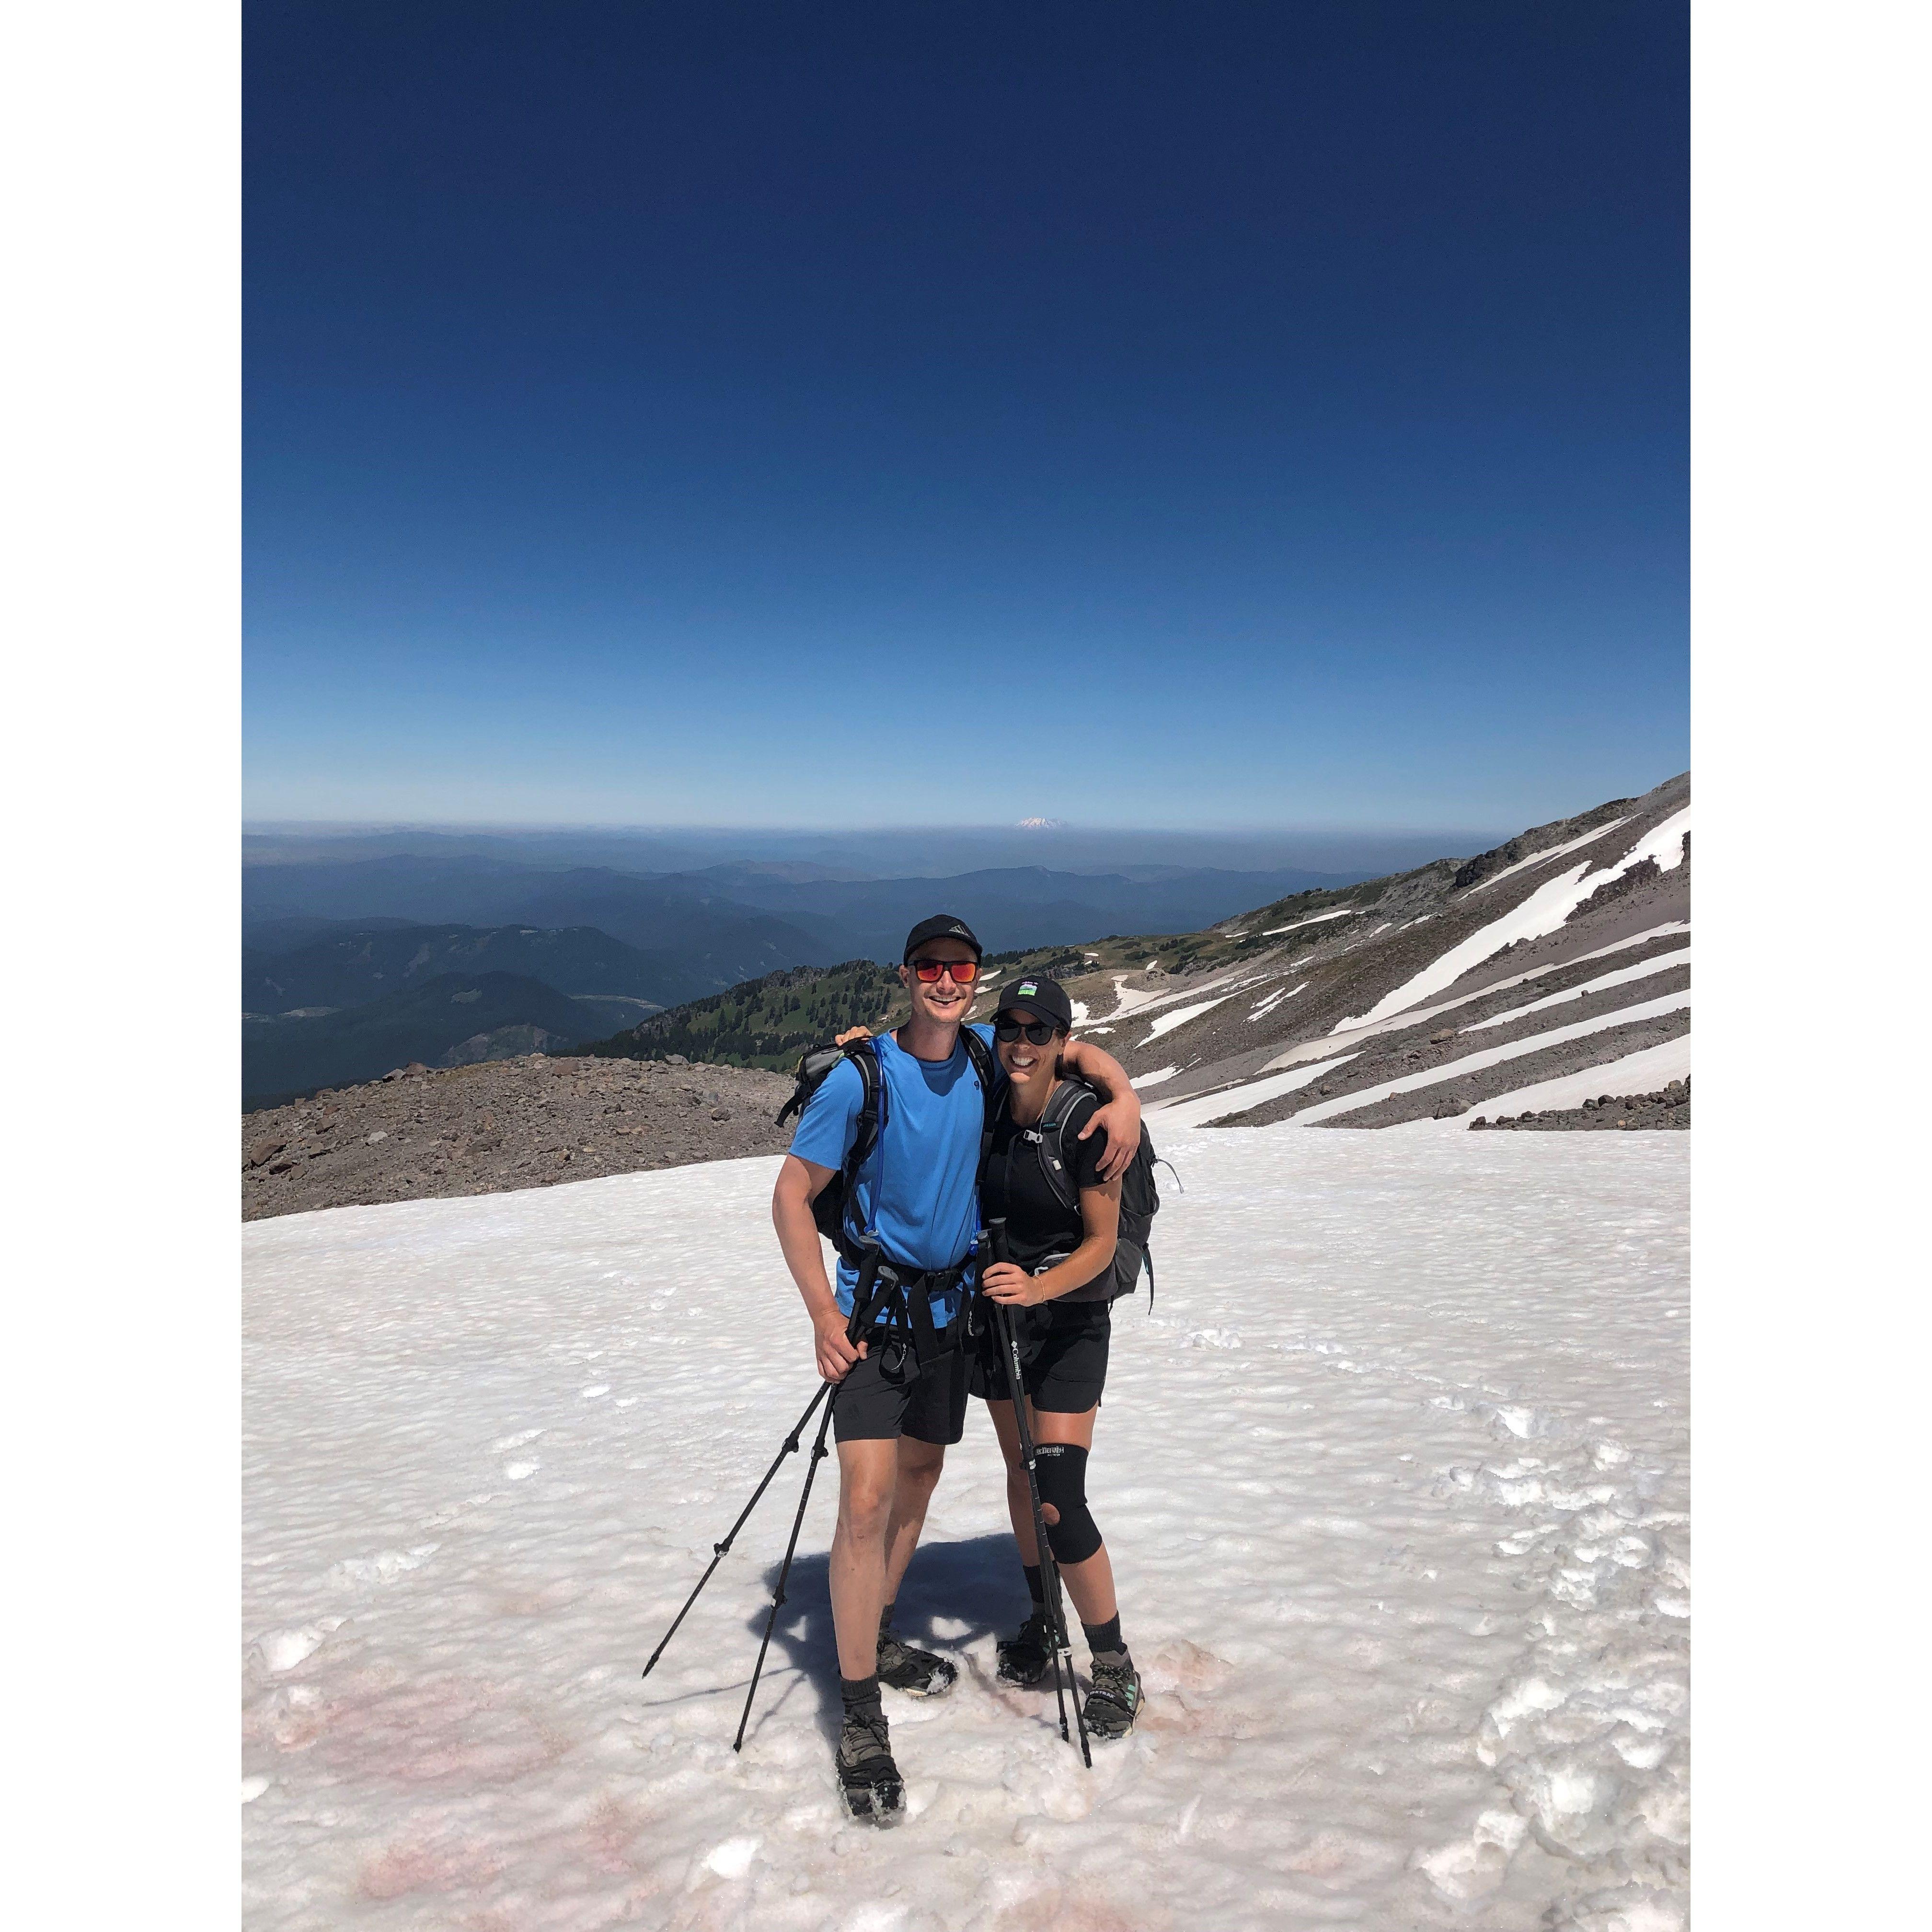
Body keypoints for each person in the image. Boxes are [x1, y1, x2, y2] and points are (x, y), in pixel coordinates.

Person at [770, 917, 1143, 1819]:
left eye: (960, 968)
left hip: (950, 1317)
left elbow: (1068, 1049)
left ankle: (879, 1629)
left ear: (975, 977)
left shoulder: (984, 1054)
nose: (946, 981)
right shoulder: (862, 1075)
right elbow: (790, 1194)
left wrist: (1124, 1096)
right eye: (931, 968)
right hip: (871, 1319)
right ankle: (861, 1716)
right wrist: (822, 1315)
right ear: (905, 975)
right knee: (865, 1502)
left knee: (922, 1475)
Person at [973, 973, 1144, 1741]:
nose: (1021, 1043)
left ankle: (1113, 1662)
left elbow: (1101, 1245)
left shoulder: (1087, 1126)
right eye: (1009, 1027)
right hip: (1003, 1318)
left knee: (1057, 1494)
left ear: (1060, 1041)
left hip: (1069, 1322)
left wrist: (1037, 1287)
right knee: (1022, 1473)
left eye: (1038, 1030)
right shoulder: (987, 1099)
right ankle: (1045, 1618)